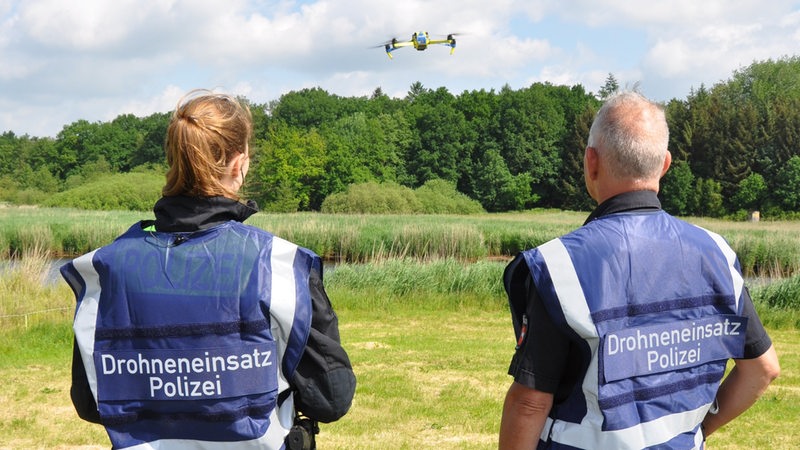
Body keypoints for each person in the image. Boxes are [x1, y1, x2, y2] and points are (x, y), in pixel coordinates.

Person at [61, 89, 355, 450]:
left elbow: (92, 402)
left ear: (173, 161)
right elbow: (331, 397)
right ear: (239, 165)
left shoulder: (105, 268)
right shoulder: (280, 264)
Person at [498, 91, 780, 449]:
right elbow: (762, 369)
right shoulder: (717, 254)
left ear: (591, 162)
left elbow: (529, 403)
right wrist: (695, 432)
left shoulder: (559, 266)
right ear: (664, 164)